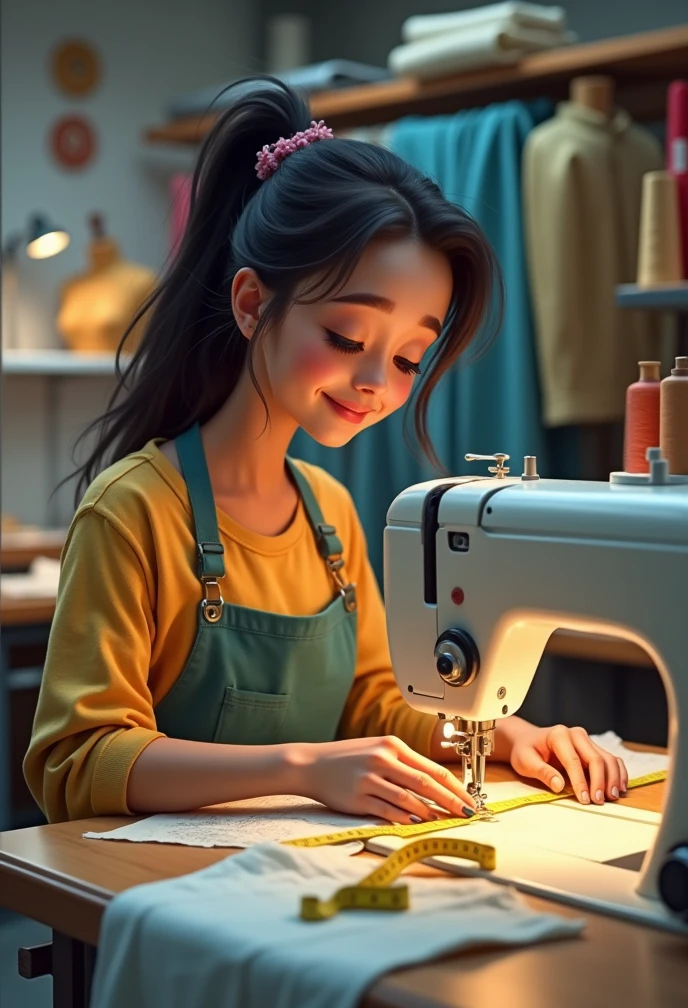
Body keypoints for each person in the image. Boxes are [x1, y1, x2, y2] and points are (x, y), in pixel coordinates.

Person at [24, 77, 628, 825]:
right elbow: (77, 759)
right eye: (347, 338)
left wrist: (501, 733)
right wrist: (307, 768)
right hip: (152, 894)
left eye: (409, 359)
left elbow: (373, 704)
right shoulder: (133, 512)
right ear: (252, 305)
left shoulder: (330, 514)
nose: (377, 383)